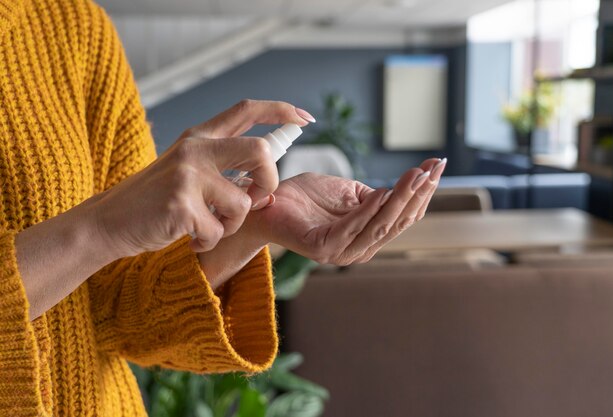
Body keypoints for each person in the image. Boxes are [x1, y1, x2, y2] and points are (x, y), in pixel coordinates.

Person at [0, 0, 447, 415]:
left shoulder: (71, 27)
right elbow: (103, 237)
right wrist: (100, 229)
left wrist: (254, 224)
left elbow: (115, 311)